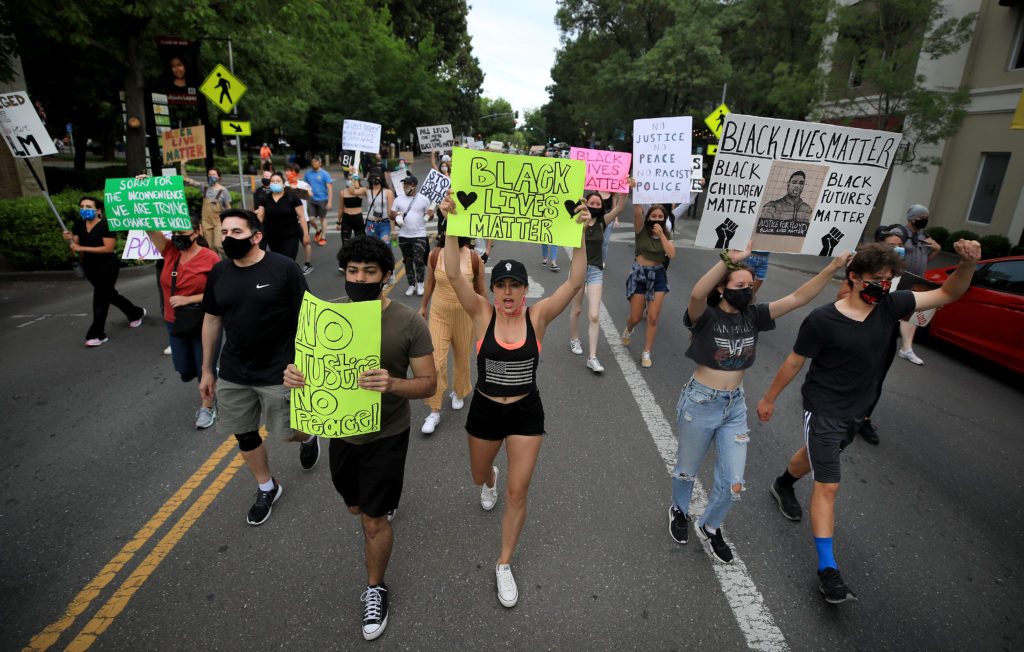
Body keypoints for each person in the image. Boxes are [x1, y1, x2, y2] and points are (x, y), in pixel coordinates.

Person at [757, 239, 982, 604]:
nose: (883, 284)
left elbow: (947, 293)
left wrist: (968, 265)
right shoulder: (823, 319)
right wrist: (769, 398)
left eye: (889, 278)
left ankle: (783, 484)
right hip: (825, 407)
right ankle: (828, 571)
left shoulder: (891, 306)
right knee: (828, 485)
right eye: (876, 278)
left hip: (857, 410)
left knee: (817, 454)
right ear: (855, 277)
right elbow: (795, 361)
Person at [439, 191, 588, 608]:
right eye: (501, 284)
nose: (507, 292)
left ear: (524, 289)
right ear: (494, 289)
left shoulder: (537, 317)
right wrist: (453, 225)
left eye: (514, 285)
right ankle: (490, 476)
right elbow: (453, 274)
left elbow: (575, 280)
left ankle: (503, 564)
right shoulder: (482, 313)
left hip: (526, 412)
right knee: (478, 475)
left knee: (519, 494)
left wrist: (577, 235)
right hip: (485, 410)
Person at [286, 235, 435, 640]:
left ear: (386, 276)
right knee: (355, 508)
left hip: (387, 434)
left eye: (369, 271)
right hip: (341, 433)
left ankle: (375, 588)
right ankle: (378, 505)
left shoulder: (409, 322)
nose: (360, 277)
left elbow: (427, 384)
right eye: (353, 271)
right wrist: (294, 377)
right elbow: (308, 372)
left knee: (372, 521)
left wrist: (393, 384)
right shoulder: (326, 316)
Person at [668, 241, 851, 564]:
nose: (746, 291)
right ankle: (679, 510)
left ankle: (710, 526)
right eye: (739, 286)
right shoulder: (705, 316)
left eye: (750, 287)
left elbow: (798, 298)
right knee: (687, 471)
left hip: (734, 407)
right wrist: (727, 260)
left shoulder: (754, 316)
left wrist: (832, 268)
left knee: (734, 483)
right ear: (723, 289)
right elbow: (698, 293)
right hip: (700, 403)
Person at [200, 209, 318, 526]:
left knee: (286, 432)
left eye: (236, 232)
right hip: (235, 371)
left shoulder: (284, 269)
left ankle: (308, 438)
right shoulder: (219, 272)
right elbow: (212, 319)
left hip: (279, 370)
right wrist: (207, 370)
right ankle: (267, 486)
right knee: (244, 433)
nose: (227, 238)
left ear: (256, 236)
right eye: (224, 232)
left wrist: (304, 363)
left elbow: (309, 318)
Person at [146, 213, 221, 429]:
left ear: (197, 232)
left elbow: (218, 292)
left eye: (183, 232)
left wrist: (188, 299)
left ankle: (207, 407)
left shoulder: (210, 258)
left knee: (203, 369)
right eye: (175, 232)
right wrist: (145, 188)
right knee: (184, 369)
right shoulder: (170, 251)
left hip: (203, 321)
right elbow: (149, 227)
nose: (178, 236)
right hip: (174, 321)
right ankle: (209, 374)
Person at [840, 228, 906, 445]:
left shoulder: (902, 276)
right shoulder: (864, 270)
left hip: (886, 332)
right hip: (859, 327)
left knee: (876, 377)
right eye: (891, 244)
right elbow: (842, 295)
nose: (896, 249)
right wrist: (872, 293)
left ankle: (864, 419)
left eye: (900, 245)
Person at [418, 233, 487, 434]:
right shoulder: (436, 254)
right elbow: (429, 282)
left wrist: (487, 317)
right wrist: (423, 306)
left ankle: (459, 390)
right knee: (437, 361)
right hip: (439, 314)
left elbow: (482, 291)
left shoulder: (475, 258)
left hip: (466, 316)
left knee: (462, 358)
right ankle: (434, 410)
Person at [62, 196, 146, 346]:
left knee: (100, 298)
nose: (84, 210)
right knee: (110, 295)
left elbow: (108, 248)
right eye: (82, 206)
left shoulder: (106, 225)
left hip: (107, 266)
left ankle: (97, 334)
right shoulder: (79, 225)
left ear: (98, 210)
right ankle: (135, 313)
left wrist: (82, 248)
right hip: (89, 266)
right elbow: (75, 246)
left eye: (88, 207)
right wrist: (69, 240)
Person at [620, 179, 676, 368]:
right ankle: (629, 329)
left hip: (658, 275)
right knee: (635, 317)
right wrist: (634, 189)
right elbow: (637, 210)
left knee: (653, 317)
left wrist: (661, 234)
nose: (657, 219)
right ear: (649, 217)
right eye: (654, 216)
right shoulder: (641, 229)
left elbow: (672, 254)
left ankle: (646, 352)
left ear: (664, 219)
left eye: (661, 216)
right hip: (640, 274)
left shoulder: (666, 235)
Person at [569, 191, 626, 372]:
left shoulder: (603, 222)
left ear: (602, 207)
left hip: (595, 271)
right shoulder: (578, 220)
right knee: (577, 309)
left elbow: (620, 207)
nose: (594, 206)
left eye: (597, 203)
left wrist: (625, 189)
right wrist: (582, 220)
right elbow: (572, 238)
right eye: (591, 203)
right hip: (578, 269)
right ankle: (574, 338)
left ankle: (592, 357)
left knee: (594, 315)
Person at [891, 204, 941, 365]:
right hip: (900, 277)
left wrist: (937, 249)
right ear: (913, 218)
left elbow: (927, 258)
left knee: (911, 313)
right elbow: (891, 251)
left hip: (917, 280)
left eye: (926, 218)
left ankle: (906, 348)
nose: (925, 221)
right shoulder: (900, 233)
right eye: (922, 218)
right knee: (889, 309)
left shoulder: (925, 236)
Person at [255, 171, 312, 274]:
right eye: (272, 181)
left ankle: (294, 282)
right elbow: (260, 217)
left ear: (283, 184)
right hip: (273, 237)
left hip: (290, 236)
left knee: (288, 262)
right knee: (278, 263)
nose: (275, 183)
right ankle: (284, 285)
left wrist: (306, 235)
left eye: (278, 181)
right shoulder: (265, 198)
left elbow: (302, 217)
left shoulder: (292, 197)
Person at [390, 175, 433, 296]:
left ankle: (420, 283)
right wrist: (396, 215)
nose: (405, 187)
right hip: (404, 236)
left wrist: (431, 214)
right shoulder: (398, 199)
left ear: (414, 186)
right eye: (404, 185)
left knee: (419, 260)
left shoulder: (423, 199)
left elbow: (428, 218)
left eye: (408, 184)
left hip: (419, 234)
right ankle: (411, 285)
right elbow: (391, 215)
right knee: (407, 261)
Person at [181, 158, 231, 258]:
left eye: (214, 174)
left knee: (219, 245)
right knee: (210, 247)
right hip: (206, 222)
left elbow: (228, 207)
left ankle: (230, 262)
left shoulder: (223, 190)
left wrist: (229, 223)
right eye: (209, 174)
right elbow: (185, 179)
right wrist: (182, 165)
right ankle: (216, 266)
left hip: (218, 221)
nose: (211, 176)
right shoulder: (204, 188)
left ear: (219, 177)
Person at [284, 164, 316, 273]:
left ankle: (308, 264)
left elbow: (310, 194)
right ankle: (289, 265)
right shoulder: (283, 185)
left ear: (296, 173)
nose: (287, 173)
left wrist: (293, 190)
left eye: (290, 171)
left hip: (303, 219)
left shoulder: (303, 184)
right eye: (286, 171)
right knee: (290, 243)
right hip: (288, 220)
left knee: (305, 242)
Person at [303, 156, 333, 246]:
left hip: (322, 199)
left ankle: (323, 237)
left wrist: (330, 202)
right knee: (311, 218)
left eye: (316, 161)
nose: (314, 163)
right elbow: (305, 185)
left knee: (322, 218)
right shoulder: (308, 173)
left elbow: (330, 188)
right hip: (311, 200)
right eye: (312, 161)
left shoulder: (324, 174)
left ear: (320, 163)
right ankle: (318, 230)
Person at [337, 170, 366, 247]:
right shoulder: (342, 192)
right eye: (349, 176)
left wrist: (355, 176)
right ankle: (347, 258)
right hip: (347, 218)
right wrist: (338, 221)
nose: (350, 178)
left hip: (358, 218)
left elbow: (356, 187)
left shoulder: (360, 191)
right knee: (345, 242)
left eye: (352, 176)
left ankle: (359, 258)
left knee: (360, 242)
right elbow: (341, 208)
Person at [363, 173, 395, 242]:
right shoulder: (367, 191)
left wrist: (393, 230)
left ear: (381, 178)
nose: (374, 179)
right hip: (371, 225)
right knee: (371, 247)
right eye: (372, 177)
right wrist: (353, 176)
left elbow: (391, 212)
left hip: (385, 224)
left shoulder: (388, 192)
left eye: (376, 176)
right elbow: (352, 191)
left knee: (385, 245)